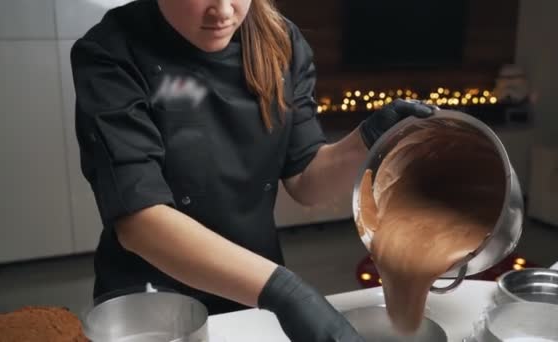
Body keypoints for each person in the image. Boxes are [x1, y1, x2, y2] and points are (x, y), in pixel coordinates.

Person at [71, 0, 434, 340]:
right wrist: (284, 291)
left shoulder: (281, 42)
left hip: (251, 292)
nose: (224, 11)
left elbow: (307, 181)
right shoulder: (111, 52)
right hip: (152, 304)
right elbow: (140, 223)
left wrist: (366, 139)